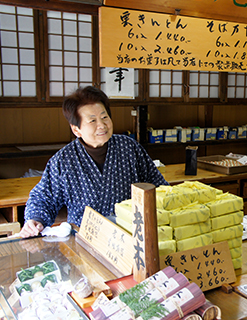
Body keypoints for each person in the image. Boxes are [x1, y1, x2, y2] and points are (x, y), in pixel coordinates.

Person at [19, 86, 169, 238]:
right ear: (76, 129)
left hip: (130, 235)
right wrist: (35, 219)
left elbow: (159, 185)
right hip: (85, 239)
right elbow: (44, 197)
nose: (102, 125)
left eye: (104, 117)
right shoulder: (63, 161)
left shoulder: (129, 147)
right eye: (92, 121)